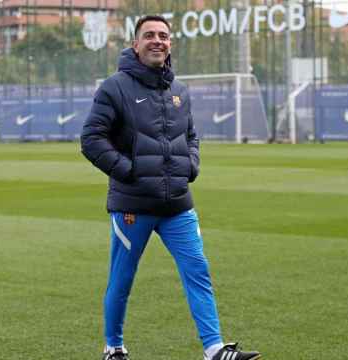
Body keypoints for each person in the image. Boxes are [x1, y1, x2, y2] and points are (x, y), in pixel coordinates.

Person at [81, 15, 260, 360]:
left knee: (198, 271)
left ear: (170, 44)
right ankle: (113, 347)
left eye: (163, 36)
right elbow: (91, 138)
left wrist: (191, 165)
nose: (157, 41)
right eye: (149, 35)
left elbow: (191, 135)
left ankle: (214, 349)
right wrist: (127, 171)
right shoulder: (114, 87)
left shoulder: (180, 91)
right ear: (135, 44)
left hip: (178, 204)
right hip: (133, 205)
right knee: (122, 280)